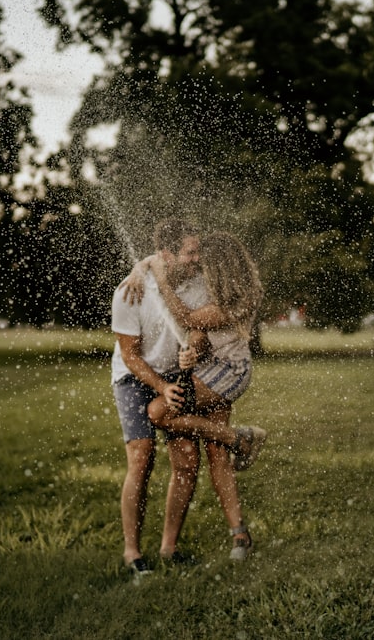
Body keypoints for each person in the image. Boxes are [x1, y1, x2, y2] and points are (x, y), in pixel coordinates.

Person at [125, 230, 267, 560]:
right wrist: (139, 268)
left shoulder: (238, 298)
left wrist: (160, 282)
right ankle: (240, 537)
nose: (198, 260)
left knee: (159, 413)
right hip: (208, 368)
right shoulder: (215, 284)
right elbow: (196, 330)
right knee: (217, 455)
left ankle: (240, 438)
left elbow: (189, 319)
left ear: (221, 265)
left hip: (225, 372)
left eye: (205, 257)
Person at [110, 219, 208, 575]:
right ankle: (133, 554)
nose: (198, 258)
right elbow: (131, 356)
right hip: (134, 377)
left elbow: (200, 329)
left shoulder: (198, 284)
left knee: (186, 459)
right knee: (142, 456)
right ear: (166, 254)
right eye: (190, 252)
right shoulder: (130, 290)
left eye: (198, 250)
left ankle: (169, 548)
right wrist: (161, 387)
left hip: (174, 374)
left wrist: (194, 350)